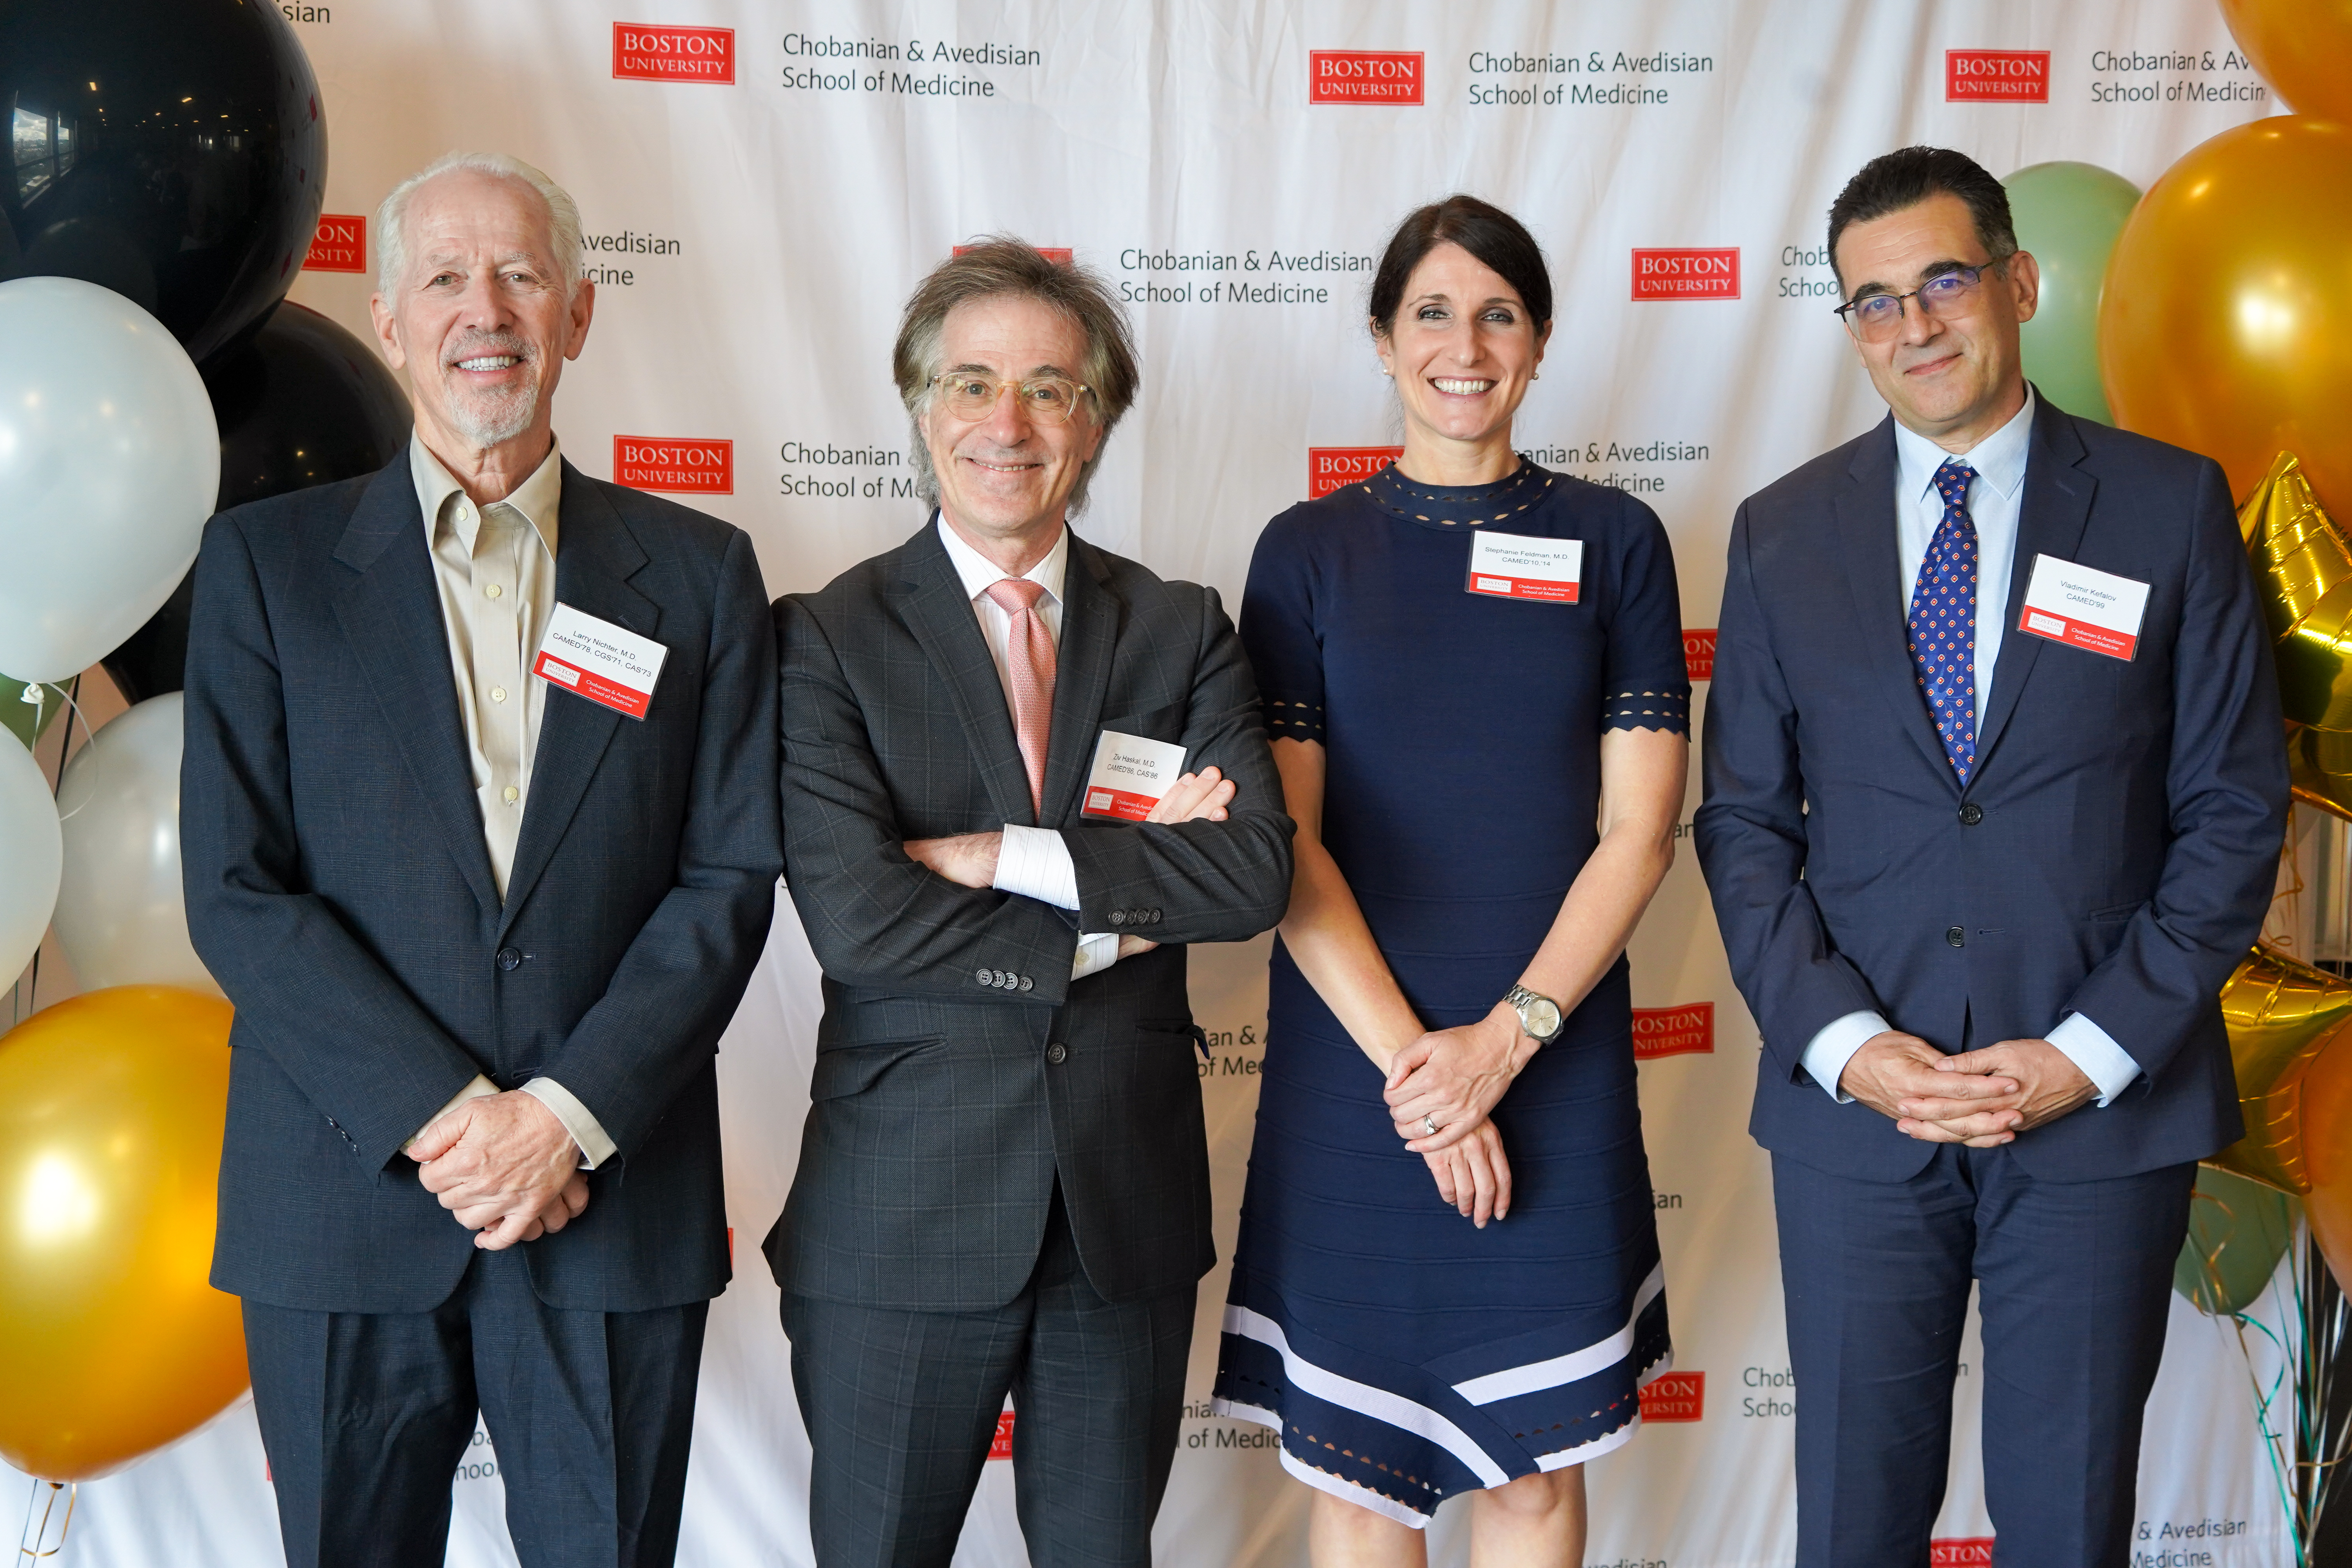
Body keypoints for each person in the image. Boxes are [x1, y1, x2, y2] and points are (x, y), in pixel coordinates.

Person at [181, 151, 782, 1568]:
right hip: (345, 1200)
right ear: (388, 319)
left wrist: (562, 1116)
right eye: (444, 278)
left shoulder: (700, 574)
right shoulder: (262, 567)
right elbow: (238, 890)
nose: (484, 310)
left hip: (608, 1200)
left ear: (578, 316)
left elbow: (729, 878)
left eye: (521, 274)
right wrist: (457, 1120)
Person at [1695, 145, 2287, 1567]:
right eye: (1875, 302)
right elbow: (1745, 828)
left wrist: (2089, 1049)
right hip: (1861, 1121)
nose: (1917, 326)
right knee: (1853, 1524)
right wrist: (1852, 1048)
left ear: (2018, 283)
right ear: (1851, 328)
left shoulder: (2169, 506)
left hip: (2098, 1114)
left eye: (1945, 281)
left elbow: (2231, 812)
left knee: (2069, 1522)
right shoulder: (1783, 534)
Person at [766, 238, 1294, 1567]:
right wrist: (1126, 899)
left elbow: (1249, 877)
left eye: (1052, 389)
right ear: (920, 406)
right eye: (974, 383)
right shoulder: (824, 637)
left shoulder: (1182, 629)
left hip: (1125, 1216)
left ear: (1100, 418)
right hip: (902, 1213)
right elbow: (860, 921)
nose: (1008, 424)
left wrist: (1000, 854)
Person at [1211, 195, 1689, 1563]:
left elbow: (1640, 834)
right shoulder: (1305, 551)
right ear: (1380, 339)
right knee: (1360, 1473)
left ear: (1538, 343)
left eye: (1498, 312)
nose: (1464, 343)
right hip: (1360, 1058)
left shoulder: (1618, 539)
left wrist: (1506, 1044)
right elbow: (1288, 848)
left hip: (1553, 1044)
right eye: (1431, 310)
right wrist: (1426, 1077)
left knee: (1536, 1473)